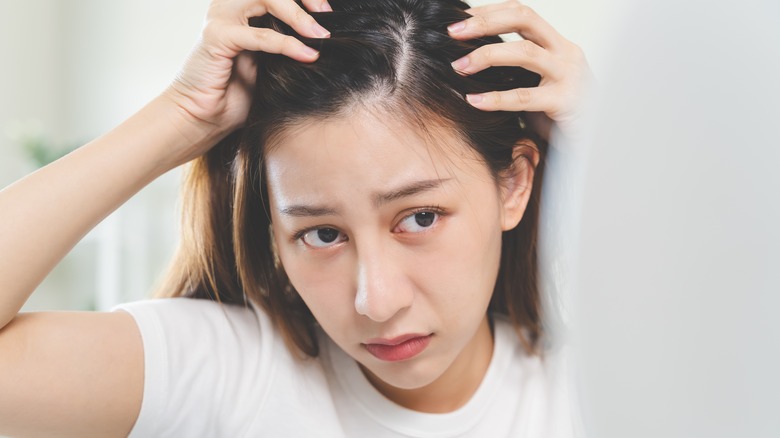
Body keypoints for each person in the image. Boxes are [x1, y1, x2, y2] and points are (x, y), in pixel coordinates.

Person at [0, 0, 590, 436]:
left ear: (512, 184)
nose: (376, 302)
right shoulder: (224, 373)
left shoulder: (597, 395)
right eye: (323, 234)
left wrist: (616, 150)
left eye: (421, 218)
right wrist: (180, 117)